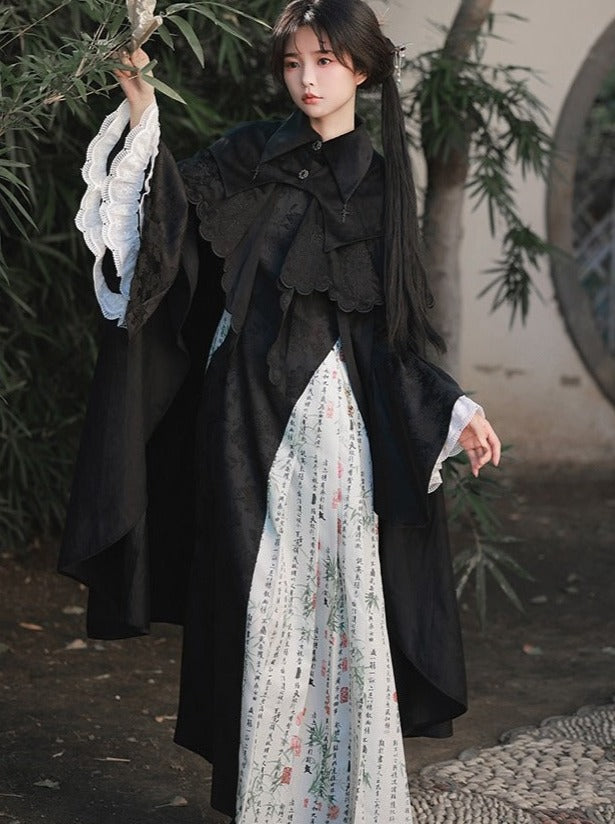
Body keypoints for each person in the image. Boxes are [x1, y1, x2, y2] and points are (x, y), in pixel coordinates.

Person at [59, 0, 501, 821]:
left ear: (359, 69)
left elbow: (392, 330)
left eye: (324, 61)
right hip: (240, 417)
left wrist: (454, 407)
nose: (307, 79)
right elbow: (167, 236)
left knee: (342, 597)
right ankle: (267, 800)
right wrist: (144, 111)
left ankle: (349, 801)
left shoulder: (381, 184)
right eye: (294, 62)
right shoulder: (246, 155)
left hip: (336, 425)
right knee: (254, 598)